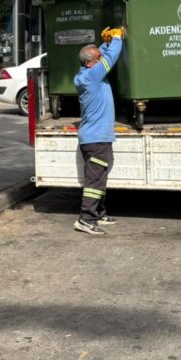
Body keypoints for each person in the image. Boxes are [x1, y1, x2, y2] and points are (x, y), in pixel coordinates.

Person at [72, 27, 124, 236]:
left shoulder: (88, 74)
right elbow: (109, 59)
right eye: (97, 58)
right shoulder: (91, 77)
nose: (101, 59)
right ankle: (86, 219)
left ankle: (99, 213)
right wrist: (117, 38)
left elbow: (101, 56)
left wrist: (105, 42)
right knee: (94, 180)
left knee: (100, 177)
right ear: (89, 63)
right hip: (96, 139)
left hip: (97, 137)